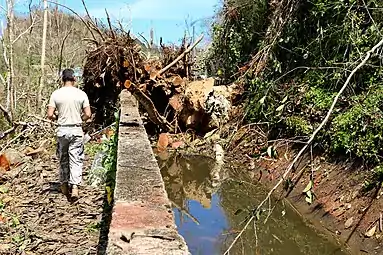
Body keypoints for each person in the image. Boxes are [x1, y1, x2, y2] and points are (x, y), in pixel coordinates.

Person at [47, 69, 92, 200]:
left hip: (62, 130)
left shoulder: (56, 94)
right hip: (76, 130)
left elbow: (50, 114)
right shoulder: (81, 94)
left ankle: (64, 185)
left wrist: (57, 117)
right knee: (76, 158)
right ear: (74, 79)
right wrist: (80, 119)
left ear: (62, 79)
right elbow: (88, 114)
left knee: (63, 157)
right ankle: (75, 187)